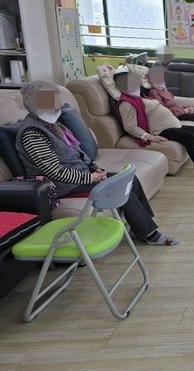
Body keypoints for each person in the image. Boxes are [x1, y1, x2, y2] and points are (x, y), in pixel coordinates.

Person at [15, 80, 179, 246]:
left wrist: (94, 168)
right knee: (118, 185)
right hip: (61, 185)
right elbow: (55, 171)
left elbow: (78, 152)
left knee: (130, 179)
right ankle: (150, 234)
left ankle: (141, 228)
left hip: (80, 176)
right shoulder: (32, 134)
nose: (56, 104)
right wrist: (91, 178)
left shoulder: (53, 125)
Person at [114, 67, 194, 178]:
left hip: (172, 125)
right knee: (188, 136)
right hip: (161, 130)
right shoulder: (126, 103)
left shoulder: (137, 96)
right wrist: (150, 137)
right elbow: (130, 126)